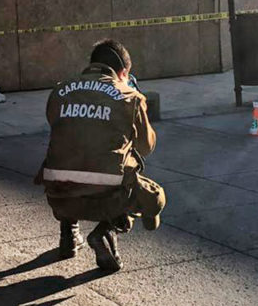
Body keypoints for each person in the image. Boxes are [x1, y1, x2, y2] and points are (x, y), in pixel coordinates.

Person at [35, 39, 166, 272]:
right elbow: (146, 147)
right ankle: (107, 231)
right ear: (123, 73)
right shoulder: (129, 96)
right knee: (151, 193)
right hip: (107, 197)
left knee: (73, 150)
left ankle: (69, 235)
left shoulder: (60, 91)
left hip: (59, 196)